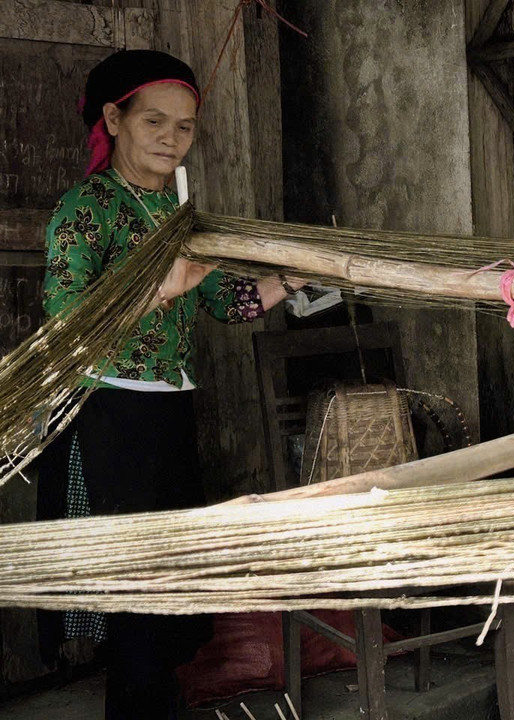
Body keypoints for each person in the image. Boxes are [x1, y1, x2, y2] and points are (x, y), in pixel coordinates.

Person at [36, 49, 301, 719]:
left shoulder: (177, 215)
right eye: (154, 121)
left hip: (168, 410)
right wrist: (162, 288)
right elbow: (66, 320)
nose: (170, 139)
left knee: (170, 585)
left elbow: (221, 303)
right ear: (113, 118)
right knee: (133, 597)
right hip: (107, 414)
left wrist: (297, 277)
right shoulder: (87, 207)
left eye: (184, 127)